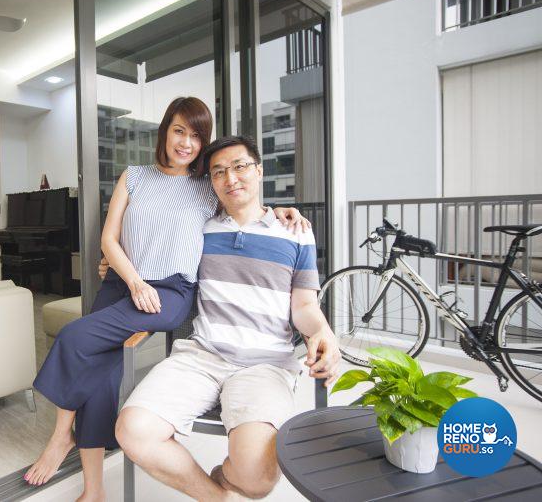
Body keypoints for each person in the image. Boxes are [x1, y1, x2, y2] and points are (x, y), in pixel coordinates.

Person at [26, 98, 308, 502]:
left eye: (196, 136)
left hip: (170, 291)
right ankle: (94, 489)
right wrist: (133, 279)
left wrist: (283, 211)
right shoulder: (135, 176)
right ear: (165, 130)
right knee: (102, 376)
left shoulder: (205, 186)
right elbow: (109, 238)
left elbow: (243, 202)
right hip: (124, 283)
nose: (186, 143)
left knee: (73, 338)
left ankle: (59, 438)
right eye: (179, 131)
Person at [115, 135, 341, 501]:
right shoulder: (199, 228)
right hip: (200, 356)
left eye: (239, 167)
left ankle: (227, 480)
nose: (230, 178)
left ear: (259, 170)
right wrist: (114, 263)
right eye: (218, 172)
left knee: (258, 478)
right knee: (132, 430)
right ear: (211, 182)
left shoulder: (295, 232)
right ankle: (216, 496)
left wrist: (324, 334)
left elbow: (304, 307)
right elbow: (151, 250)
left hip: (265, 364)